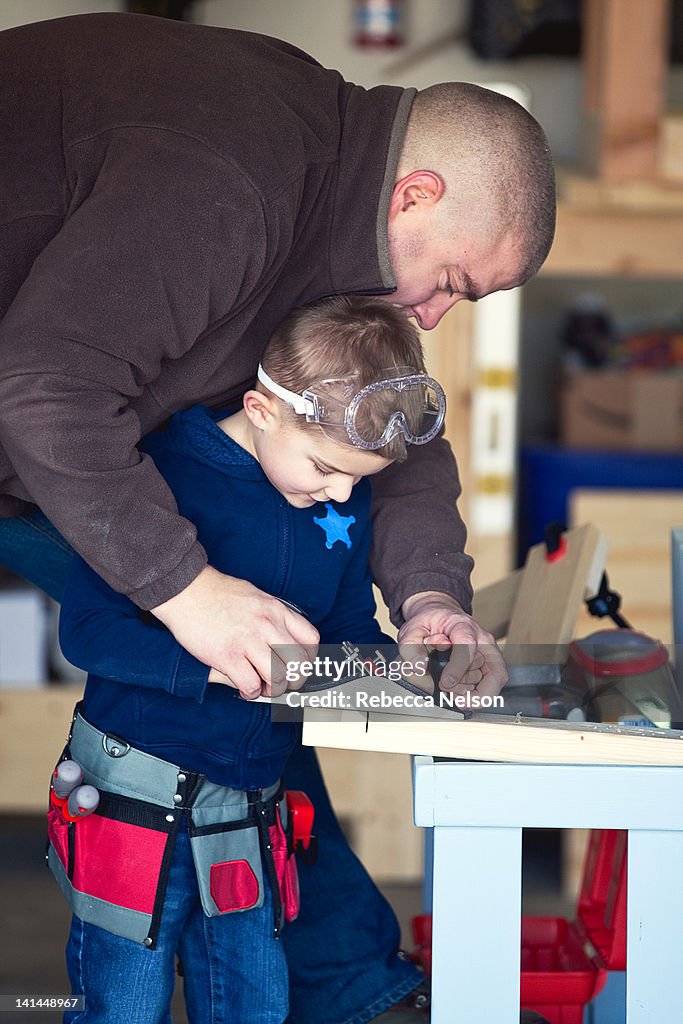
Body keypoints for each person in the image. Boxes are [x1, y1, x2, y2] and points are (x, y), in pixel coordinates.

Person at [0, 13, 556, 1022]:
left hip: (45, 429)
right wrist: (188, 592)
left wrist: (429, 598)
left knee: (271, 646)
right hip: (36, 412)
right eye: (450, 284)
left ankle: (344, 983)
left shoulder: (340, 217)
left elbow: (404, 444)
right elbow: (46, 390)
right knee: (233, 634)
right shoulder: (237, 179)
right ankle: (344, 983)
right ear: (415, 196)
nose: (432, 317)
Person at [49, 295, 444, 1024]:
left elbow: (347, 624)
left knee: (255, 1001)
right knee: (124, 1001)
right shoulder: (159, 476)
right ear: (261, 409)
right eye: (328, 468)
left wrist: (400, 676)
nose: (343, 493)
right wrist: (207, 667)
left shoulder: (336, 501)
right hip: (134, 802)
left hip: (253, 808)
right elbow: (87, 633)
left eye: (358, 480)